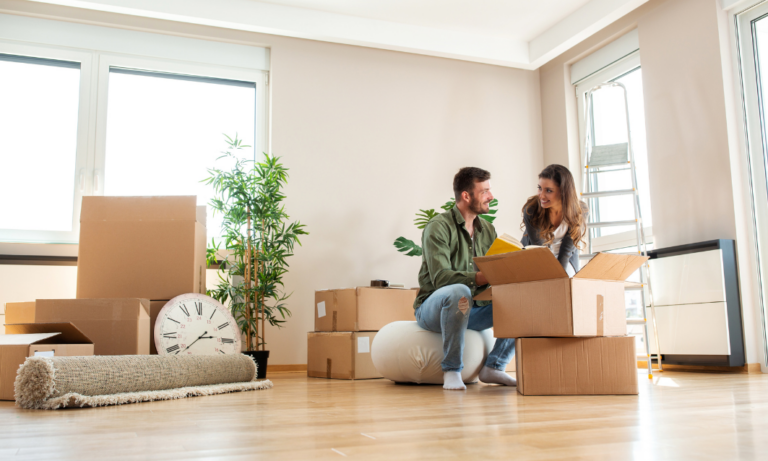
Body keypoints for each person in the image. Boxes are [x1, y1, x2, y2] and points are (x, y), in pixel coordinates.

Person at [414, 167, 516, 390]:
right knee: (459, 291)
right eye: (485, 191)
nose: (491, 196)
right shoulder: (438, 228)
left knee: (522, 299)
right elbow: (441, 278)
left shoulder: (488, 230)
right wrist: (479, 278)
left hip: (475, 310)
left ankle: (494, 367)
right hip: (434, 309)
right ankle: (451, 370)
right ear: (466, 196)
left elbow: (494, 272)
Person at [521, 164, 588, 275]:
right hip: (538, 257)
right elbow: (540, 251)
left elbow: (567, 250)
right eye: (539, 188)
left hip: (566, 258)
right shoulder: (532, 210)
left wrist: (559, 275)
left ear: (563, 192)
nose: (541, 196)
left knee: (567, 281)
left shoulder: (580, 210)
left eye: (548, 191)